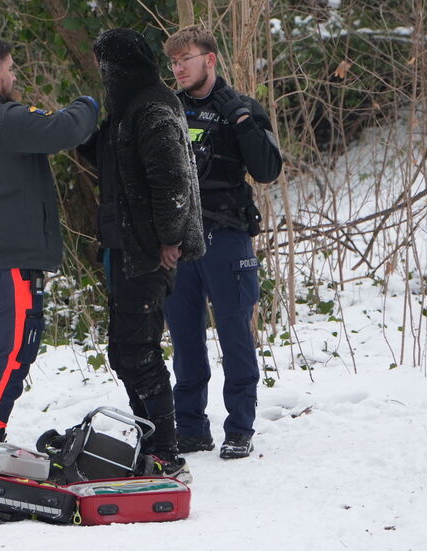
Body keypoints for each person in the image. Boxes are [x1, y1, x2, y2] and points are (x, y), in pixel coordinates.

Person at [0, 37, 98, 450]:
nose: (13, 77)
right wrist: (90, 100)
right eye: (10, 69)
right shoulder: (3, 119)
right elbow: (67, 128)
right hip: (5, 261)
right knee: (10, 354)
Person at [78, 28, 205, 483]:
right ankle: (151, 439)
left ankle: (166, 450)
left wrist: (169, 239)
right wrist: (77, 126)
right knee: (124, 350)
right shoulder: (126, 110)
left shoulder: (151, 105)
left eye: (106, 66)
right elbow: (110, 160)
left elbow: (170, 182)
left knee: (138, 350)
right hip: (122, 248)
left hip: (148, 251)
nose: (103, 74)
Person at [161, 25, 282, 459]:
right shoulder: (167, 110)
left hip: (226, 236)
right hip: (177, 241)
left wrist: (243, 122)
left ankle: (240, 427)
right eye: (173, 62)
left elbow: (268, 170)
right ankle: (191, 428)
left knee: (235, 334)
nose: (177, 69)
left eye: (185, 60)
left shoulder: (243, 109)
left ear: (209, 60)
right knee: (185, 339)